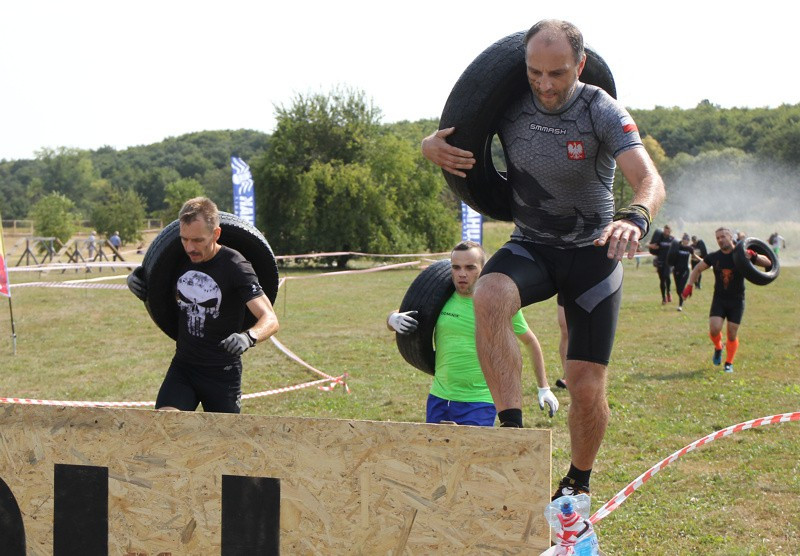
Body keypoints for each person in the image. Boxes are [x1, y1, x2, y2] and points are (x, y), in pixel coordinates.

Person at [421, 20, 665, 501]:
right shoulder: (510, 103)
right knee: (489, 292)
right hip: (532, 244)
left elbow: (649, 179)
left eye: (557, 73)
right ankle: (512, 432)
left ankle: (578, 481)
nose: (545, 85)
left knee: (584, 384)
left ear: (581, 65)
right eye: (535, 72)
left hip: (592, 253)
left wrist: (635, 217)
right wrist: (429, 145)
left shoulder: (602, 110)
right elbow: (455, 130)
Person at [126, 197, 279, 413]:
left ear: (216, 234)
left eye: (198, 240)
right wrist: (136, 279)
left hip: (222, 374)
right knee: (165, 425)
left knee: (222, 435)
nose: (190, 248)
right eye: (184, 239)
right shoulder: (178, 258)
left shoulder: (236, 266)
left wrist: (249, 337)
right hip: (183, 368)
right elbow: (155, 275)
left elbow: (270, 319)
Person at [388, 241, 559, 426]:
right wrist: (392, 319)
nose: (462, 274)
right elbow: (406, 313)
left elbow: (530, 342)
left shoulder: (497, 304)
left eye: (470, 267)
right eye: (456, 267)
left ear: (484, 269)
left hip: (479, 401)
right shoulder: (440, 299)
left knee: (472, 446)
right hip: (439, 397)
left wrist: (543, 387)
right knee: (435, 446)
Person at [682, 227, 771, 373]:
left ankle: (729, 363)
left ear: (730, 237)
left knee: (732, 334)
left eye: (723, 236)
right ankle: (718, 347)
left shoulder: (742, 255)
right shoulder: (714, 256)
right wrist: (689, 286)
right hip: (719, 299)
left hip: (737, 300)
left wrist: (753, 255)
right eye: (718, 238)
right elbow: (697, 269)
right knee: (714, 329)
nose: (720, 240)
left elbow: (768, 263)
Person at [647, 225, 674, 304]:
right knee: (662, 280)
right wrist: (651, 246)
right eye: (665, 231)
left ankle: (668, 292)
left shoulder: (672, 239)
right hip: (660, 261)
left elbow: (677, 248)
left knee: (667, 277)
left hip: (668, 262)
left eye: (668, 231)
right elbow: (650, 244)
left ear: (670, 231)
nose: (666, 233)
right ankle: (663, 298)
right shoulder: (660, 238)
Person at [672, 233, 695, 311]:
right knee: (678, 290)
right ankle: (686, 293)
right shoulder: (678, 247)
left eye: (688, 239)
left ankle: (680, 306)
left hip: (685, 270)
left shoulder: (690, 248)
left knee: (681, 288)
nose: (686, 241)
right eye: (685, 239)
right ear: (682, 240)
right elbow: (672, 253)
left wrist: (702, 260)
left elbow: (694, 256)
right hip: (676, 270)